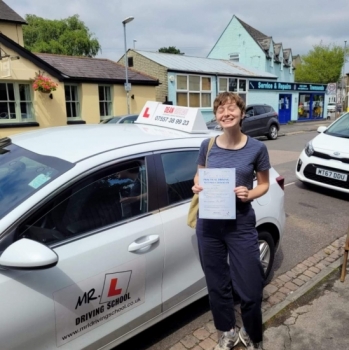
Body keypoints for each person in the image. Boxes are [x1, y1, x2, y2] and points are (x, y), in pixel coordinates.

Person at [192, 92, 270, 350]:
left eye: (231, 108)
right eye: (220, 110)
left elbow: (264, 184)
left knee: (250, 287)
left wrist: (249, 193)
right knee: (216, 284)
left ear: (242, 113)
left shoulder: (257, 148)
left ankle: (251, 333)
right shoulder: (208, 145)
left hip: (241, 223)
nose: (226, 113)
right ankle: (227, 331)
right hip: (210, 224)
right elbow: (199, 177)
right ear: (216, 116)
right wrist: (197, 187)